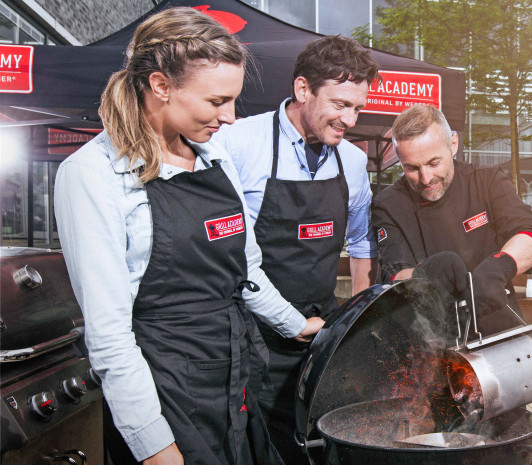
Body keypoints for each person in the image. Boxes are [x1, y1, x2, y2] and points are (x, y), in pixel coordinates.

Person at [54, 8, 323, 464]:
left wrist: (297, 325)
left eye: (233, 100)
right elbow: (110, 337)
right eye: (217, 101)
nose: (232, 117)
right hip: (165, 396)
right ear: (161, 86)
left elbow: (245, 271)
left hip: (233, 381)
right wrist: (154, 446)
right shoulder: (92, 174)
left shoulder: (215, 159)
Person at [212, 35, 379, 464]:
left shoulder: (354, 163)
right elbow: (233, 257)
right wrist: (290, 322)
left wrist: (356, 313)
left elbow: (361, 242)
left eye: (357, 108)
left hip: (321, 332)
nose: (350, 119)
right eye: (340, 104)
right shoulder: (238, 143)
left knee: (318, 443)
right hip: (254, 338)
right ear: (303, 89)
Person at [372, 105, 532, 335]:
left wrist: (498, 267)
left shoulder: (486, 181)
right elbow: (393, 274)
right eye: (411, 168)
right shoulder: (389, 203)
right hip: (426, 335)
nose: (426, 178)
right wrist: (423, 275)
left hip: (496, 326)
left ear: (453, 144)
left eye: (434, 163)